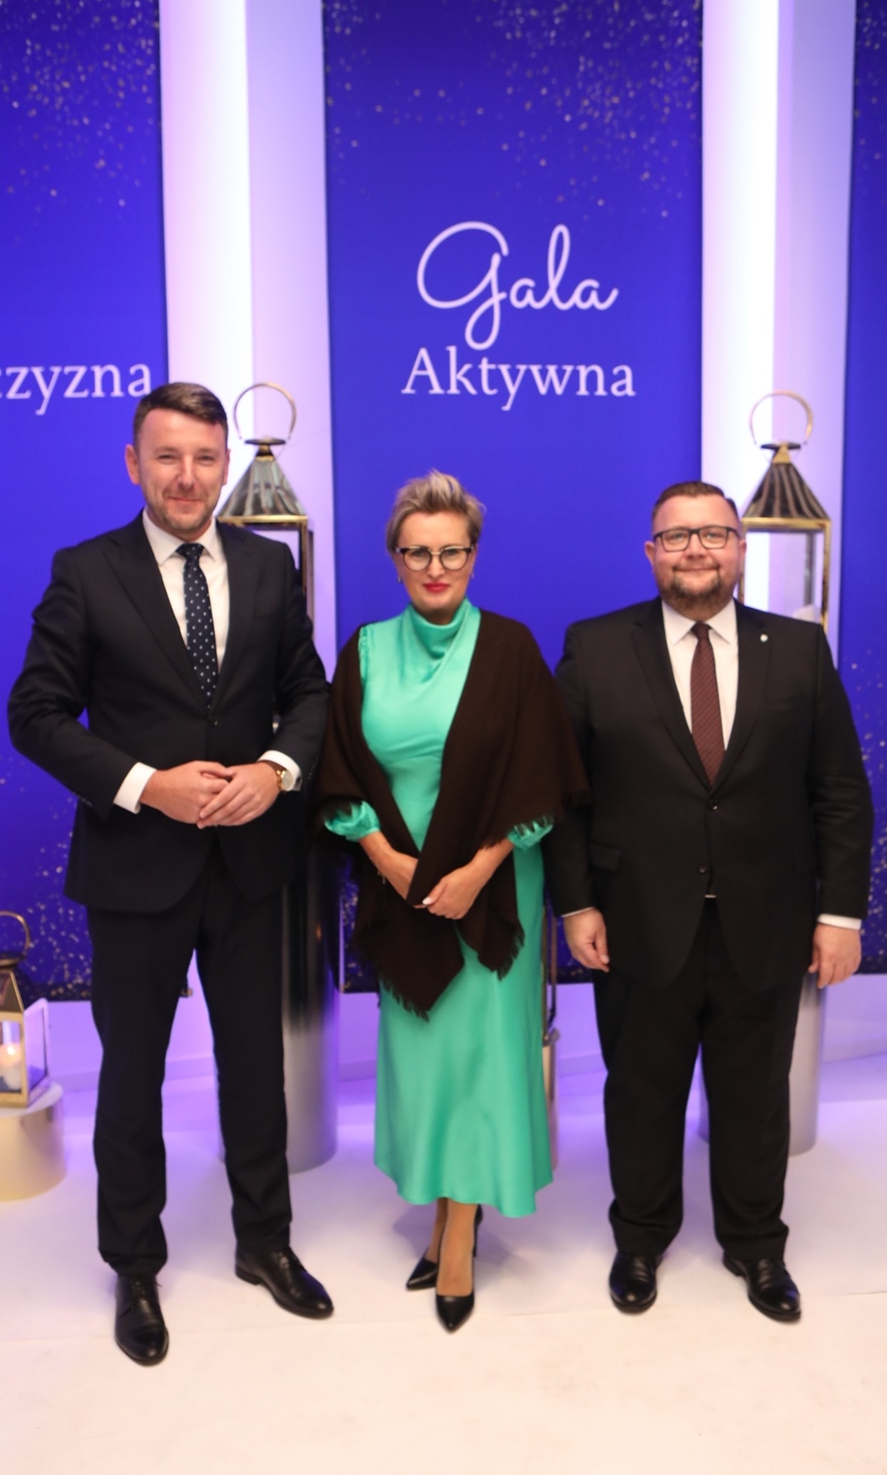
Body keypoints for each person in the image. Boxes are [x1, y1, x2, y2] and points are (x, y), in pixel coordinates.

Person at [8, 382, 333, 1365]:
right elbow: (36, 715)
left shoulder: (269, 567)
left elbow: (307, 695)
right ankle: (135, 1266)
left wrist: (275, 772)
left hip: (250, 864)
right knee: (133, 1078)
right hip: (134, 868)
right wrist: (148, 785)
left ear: (225, 463)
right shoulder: (85, 572)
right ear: (133, 463)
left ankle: (264, 1242)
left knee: (256, 1069)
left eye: (204, 457)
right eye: (167, 456)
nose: (187, 476)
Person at [544, 480, 873, 1323]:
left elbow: (840, 791)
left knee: (755, 1098)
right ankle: (640, 1239)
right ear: (650, 552)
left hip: (768, 923)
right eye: (677, 536)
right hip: (636, 921)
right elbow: (563, 793)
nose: (696, 549)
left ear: (741, 549)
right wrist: (576, 905)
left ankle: (757, 1245)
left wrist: (840, 915)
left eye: (714, 534)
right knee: (641, 1093)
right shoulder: (595, 646)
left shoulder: (798, 649)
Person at [315, 472, 587, 1333]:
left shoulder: (510, 649)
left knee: (481, 1060)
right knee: (426, 1061)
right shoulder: (364, 650)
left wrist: (478, 867)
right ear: (395, 560)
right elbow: (338, 767)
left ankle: (460, 1232)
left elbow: (544, 774)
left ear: (474, 557)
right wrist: (385, 858)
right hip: (401, 888)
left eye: (452, 552)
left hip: (491, 889)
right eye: (418, 552)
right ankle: (440, 1210)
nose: (436, 568)